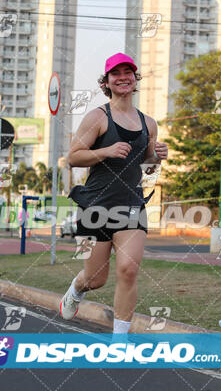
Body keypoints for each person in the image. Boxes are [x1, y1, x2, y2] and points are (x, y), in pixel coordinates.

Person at [59, 53, 168, 337]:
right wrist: (106, 151)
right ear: (106, 81)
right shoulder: (98, 117)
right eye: (115, 73)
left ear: (135, 79)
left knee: (128, 271)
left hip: (131, 205)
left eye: (127, 72)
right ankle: (75, 290)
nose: (122, 77)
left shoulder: (149, 124)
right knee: (95, 279)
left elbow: (148, 170)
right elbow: (73, 158)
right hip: (94, 206)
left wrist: (158, 158)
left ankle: (120, 340)